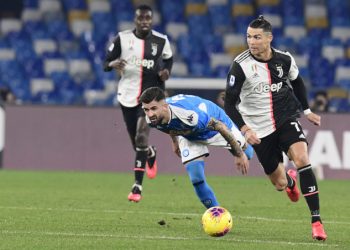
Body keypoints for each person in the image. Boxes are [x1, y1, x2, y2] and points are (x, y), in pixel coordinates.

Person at [224, 15, 327, 241]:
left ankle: (317, 221)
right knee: (279, 184)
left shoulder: (284, 60)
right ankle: (290, 182)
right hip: (258, 130)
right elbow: (229, 103)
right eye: (249, 37)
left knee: (302, 159)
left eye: (257, 37)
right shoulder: (240, 66)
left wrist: (307, 111)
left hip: (285, 117)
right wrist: (244, 129)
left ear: (269, 38)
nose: (251, 41)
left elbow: (297, 81)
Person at [139, 87, 254, 209]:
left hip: (216, 126)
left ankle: (246, 139)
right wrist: (174, 141)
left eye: (153, 109)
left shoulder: (189, 115)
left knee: (247, 155)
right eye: (146, 109)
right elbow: (168, 124)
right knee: (196, 179)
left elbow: (220, 126)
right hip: (188, 135)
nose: (150, 114)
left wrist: (239, 154)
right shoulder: (151, 119)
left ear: (164, 106)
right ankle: (216, 214)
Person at [103, 5, 173, 202]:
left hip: (150, 97)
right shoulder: (122, 39)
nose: (144, 22)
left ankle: (137, 187)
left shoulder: (161, 40)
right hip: (127, 95)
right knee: (137, 143)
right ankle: (150, 153)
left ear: (151, 20)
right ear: (135, 20)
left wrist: (166, 71)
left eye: (147, 18)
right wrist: (112, 64)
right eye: (141, 18)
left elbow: (169, 59)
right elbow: (105, 62)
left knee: (142, 136)